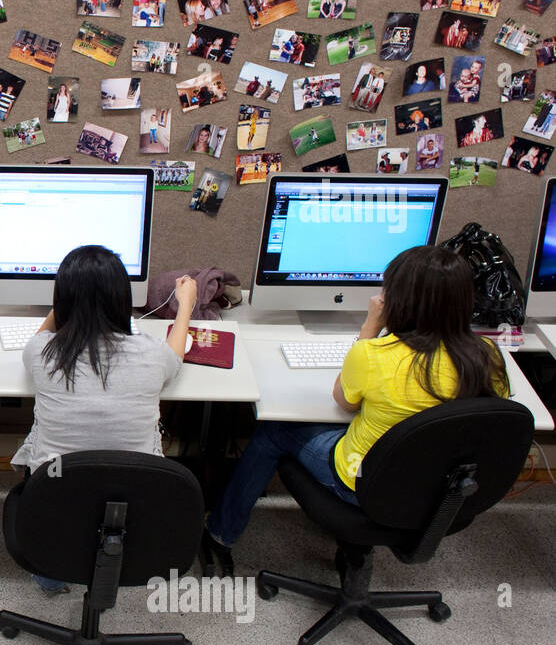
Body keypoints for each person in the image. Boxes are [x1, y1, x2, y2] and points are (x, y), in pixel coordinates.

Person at [202, 246, 510, 574]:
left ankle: (221, 533)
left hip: (365, 483)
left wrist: (371, 326)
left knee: (274, 429)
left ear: (398, 299)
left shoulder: (375, 355)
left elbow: (344, 401)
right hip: (439, 492)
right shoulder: (486, 356)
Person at [11, 247, 198, 593]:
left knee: (52, 479)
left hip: (54, 500)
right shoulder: (152, 355)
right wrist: (186, 303)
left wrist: (69, 303)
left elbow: (40, 336)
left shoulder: (41, 353)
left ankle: (49, 573)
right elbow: (176, 353)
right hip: (135, 504)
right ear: (122, 300)